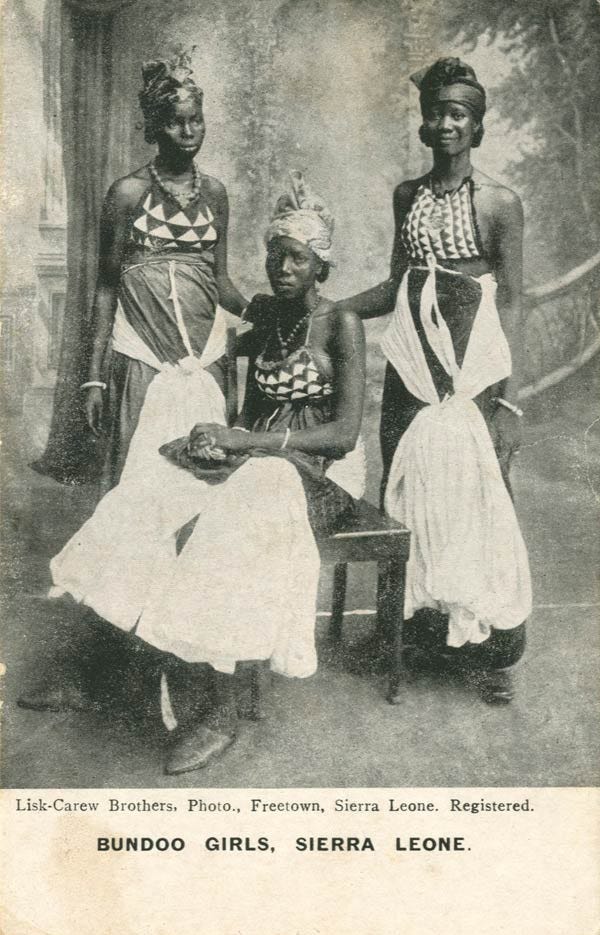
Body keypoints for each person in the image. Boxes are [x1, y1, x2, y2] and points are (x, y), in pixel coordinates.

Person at [19, 173, 367, 774]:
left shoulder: (342, 325)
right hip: (257, 459)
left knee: (234, 519)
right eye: (274, 255)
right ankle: (104, 671)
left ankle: (221, 709)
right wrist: (209, 441)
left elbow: (343, 435)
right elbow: (229, 386)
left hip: (319, 474)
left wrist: (247, 443)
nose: (281, 267)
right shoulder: (270, 317)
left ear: (321, 266)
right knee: (146, 491)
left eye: (297, 258)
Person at [336, 58, 531, 702]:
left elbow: (513, 302)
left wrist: (510, 400)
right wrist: (335, 309)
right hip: (409, 371)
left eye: (459, 114)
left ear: (476, 126)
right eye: (437, 112)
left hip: (472, 375)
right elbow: (398, 287)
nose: (445, 123)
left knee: (477, 498)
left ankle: (484, 650)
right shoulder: (407, 196)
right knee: (405, 493)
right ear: (423, 122)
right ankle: (404, 635)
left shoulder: (500, 203)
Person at [83, 49, 246, 488]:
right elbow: (105, 288)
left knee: (208, 478)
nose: (189, 131)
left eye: (197, 120)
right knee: (142, 478)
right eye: (176, 122)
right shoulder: (128, 193)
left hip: (207, 355)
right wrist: (94, 378)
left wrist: (261, 313)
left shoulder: (214, 193)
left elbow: (221, 280)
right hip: (142, 355)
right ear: (155, 127)